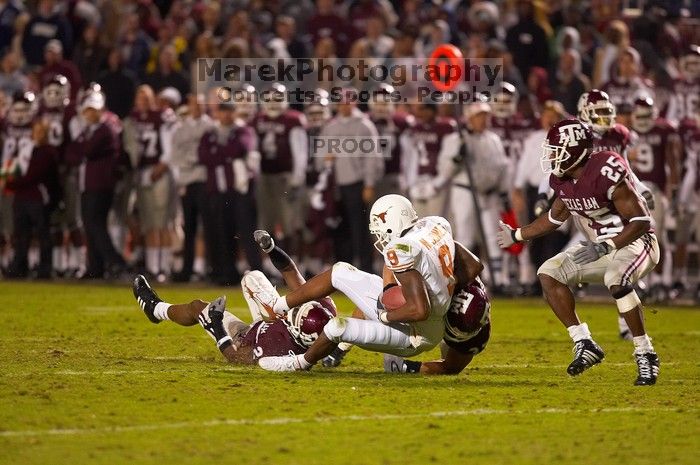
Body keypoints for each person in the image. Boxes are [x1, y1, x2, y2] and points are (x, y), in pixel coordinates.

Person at [497, 118, 661, 386]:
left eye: (555, 149)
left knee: (616, 280)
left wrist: (607, 245)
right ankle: (584, 342)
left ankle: (645, 353)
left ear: (574, 150)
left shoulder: (605, 169)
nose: (550, 156)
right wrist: (517, 234)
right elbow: (553, 217)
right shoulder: (563, 179)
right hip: (598, 249)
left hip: (637, 243)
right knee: (549, 273)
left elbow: (642, 222)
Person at [251, 194, 455, 372]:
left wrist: (385, 315)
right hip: (428, 316)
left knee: (336, 327)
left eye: (380, 229)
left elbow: (420, 310)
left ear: (392, 224)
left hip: (417, 333)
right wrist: (389, 290)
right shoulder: (433, 226)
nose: (379, 236)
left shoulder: (401, 249)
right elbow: (473, 266)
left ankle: (299, 363)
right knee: (340, 271)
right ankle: (277, 306)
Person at [132, 230, 336, 364]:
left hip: (247, 340)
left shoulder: (279, 352)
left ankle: (156, 309)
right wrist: (270, 248)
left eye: (293, 317)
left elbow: (235, 357)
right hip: (275, 330)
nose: (292, 310)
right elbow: (290, 271)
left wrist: (216, 323)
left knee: (197, 307)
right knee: (252, 277)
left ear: (297, 333)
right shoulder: (324, 310)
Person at [383, 247, 491, 375]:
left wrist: (404, 367)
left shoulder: (475, 330)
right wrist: (388, 290)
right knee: (389, 300)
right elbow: (392, 261)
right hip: (431, 294)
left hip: (447, 304)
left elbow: (451, 367)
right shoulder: (446, 277)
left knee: (452, 366)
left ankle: (398, 365)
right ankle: (352, 338)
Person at [64, 89, 126, 279]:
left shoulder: (105, 129)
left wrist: (80, 148)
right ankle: (96, 267)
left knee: (96, 224)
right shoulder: (90, 131)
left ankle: (115, 262)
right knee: (90, 226)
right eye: (88, 110)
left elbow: (85, 151)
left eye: (93, 110)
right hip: (88, 184)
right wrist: (80, 149)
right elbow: (70, 154)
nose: (90, 113)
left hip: (100, 184)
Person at [628, 96, 680, 301]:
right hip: (631, 193)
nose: (642, 119)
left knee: (656, 238)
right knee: (638, 239)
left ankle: (660, 282)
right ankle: (647, 282)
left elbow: (672, 161)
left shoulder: (663, 131)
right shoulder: (626, 133)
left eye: (646, 115)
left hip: (654, 191)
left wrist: (672, 193)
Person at [123, 85, 173, 280]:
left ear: (152, 99)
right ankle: (153, 268)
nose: (142, 101)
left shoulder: (161, 116)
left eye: (146, 97)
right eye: (139, 97)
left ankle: (164, 267)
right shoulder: (133, 119)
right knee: (149, 224)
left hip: (158, 171)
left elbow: (170, 146)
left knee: (162, 222)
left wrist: (162, 166)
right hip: (142, 172)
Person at [252, 83, 307, 256]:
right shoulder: (258, 119)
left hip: (285, 176)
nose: (274, 103)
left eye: (277, 99)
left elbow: (300, 151)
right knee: (266, 223)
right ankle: (270, 264)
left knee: (288, 224)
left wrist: (297, 176)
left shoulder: (293, 119)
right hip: (264, 176)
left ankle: (292, 260)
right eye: (270, 99)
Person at [3, 119, 58, 278]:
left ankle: (45, 268)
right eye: (36, 131)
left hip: (37, 198)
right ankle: (19, 266)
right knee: (21, 234)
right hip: (22, 198)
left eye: (42, 132)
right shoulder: (27, 149)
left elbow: (34, 175)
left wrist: (11, 185)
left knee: (42, 235)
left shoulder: (48, 152)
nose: (38, 134)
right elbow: (16, 169)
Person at [168, 94, 213, 282]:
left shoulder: (210, 126)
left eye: (200, 104)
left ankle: (206, 267)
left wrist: (193, 160)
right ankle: (187, 269)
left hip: (204, 180)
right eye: (194, 104)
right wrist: (194, 160)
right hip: (187, 182)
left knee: (208, 227)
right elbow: (175, 156)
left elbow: (209, 155)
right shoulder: (180, 128)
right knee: (189, 227)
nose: (197, 107)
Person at [401, 101, 459, 218]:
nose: (422, 113)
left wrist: (439, 182)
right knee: (418, 223)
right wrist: (409, 182)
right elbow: (409, 157)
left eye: (426, 109)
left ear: (434, 111)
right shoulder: (414, 128)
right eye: (421, 109)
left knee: (437, 223)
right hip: (418, 181)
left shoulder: (445, 127)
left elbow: (449, 157)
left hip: (437, 181)